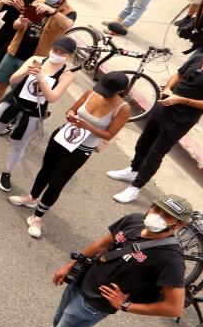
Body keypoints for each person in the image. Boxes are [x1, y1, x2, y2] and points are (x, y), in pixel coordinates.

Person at [4, 196, 192, 327]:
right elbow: (104, 243)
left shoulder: (171, 259)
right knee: (57, 323)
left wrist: (126, 305)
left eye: (167, 216)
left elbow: (174, 307)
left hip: (95, 303)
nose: (157, 216)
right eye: (157, 209)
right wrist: (71, 265)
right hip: (82, 280)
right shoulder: (134, 220)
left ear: (178, 224)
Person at [107, 35, 203, 203]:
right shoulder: (200, 57)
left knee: (155, 153)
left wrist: (182, 100)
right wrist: (169, 88)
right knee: (143, 143)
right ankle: (133, 170)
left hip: (181, 119)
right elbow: (178, 75)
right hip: (164, 107)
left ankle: (135, 187)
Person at [11, 71, 132, 238]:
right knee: (46, 169)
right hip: (61, 136)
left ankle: (37, 217)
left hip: (81, 148)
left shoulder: (123, 108)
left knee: (57, 181)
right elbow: (72, 109)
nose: (102, 94)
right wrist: (71, 115)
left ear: (120, 91)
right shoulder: (92, 92)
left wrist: (88, 126)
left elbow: (109, 135)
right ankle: (32, 197)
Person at [0, 35, 78, 193]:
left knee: (19, 145)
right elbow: (12, 80)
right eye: (55, 50)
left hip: (33, 112)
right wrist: (24, 73)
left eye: (62, 53)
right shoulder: (36, 59)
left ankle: (7, 173)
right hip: (13, 101)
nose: (57, 54)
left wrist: (41, 80)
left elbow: (52, 98)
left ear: (69, 56)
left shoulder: (67, 75)